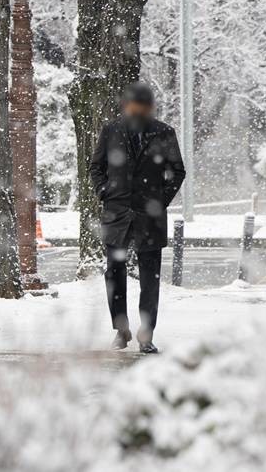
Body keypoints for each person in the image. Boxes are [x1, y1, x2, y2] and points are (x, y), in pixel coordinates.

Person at [89, 81, 186, 353]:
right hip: (117, 213)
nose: (137, 110)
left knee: (149, 278)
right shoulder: (111, 131)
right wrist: (104, 192)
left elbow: (177, 172)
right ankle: (121, 330)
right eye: (133, 105)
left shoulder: (164, 133)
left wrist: (159, 200)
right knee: (114, 275)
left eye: (142, 105)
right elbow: (97, 167)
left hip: (150, 217)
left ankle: (147, 333)